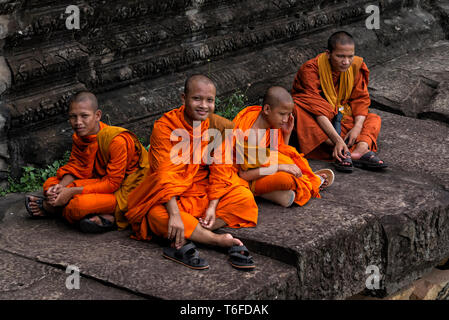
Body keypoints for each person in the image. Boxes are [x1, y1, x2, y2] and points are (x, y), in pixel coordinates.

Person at [125, 74, 258, 270]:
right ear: (183, 98)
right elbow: (163, 175)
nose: (203, 105)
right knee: (154, 214)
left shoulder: (217, 126)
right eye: (197, 99)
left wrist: (213, 206)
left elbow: (220, 169)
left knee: (244, 198)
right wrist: (175, 214)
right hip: (172, 196)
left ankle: (189, 231)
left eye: (209, 100)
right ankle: (216, 240)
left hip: (201, 189)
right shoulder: (164, 127)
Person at [25, 91, 149, 233]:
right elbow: (76, 167)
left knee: (78, 205)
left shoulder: (116, 141)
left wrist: (71, 192)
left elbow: (113, 184)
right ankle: (97, 215)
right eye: (73, 117)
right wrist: (60, 187)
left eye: (84, 116)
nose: (78, 123)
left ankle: (55, 209)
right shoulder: (80, 137)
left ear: (97, 116)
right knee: (50, 185)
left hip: (123, 191)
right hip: (97, 181)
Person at [291, 31, 387, 172]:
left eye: (350, 56)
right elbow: (315, 108)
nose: (346, 62)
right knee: (297, 109)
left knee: (373, 119)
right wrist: (337, 140)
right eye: (340, 56)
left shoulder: (356, 66)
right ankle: (340, 148)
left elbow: (360, 99)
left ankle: (359, 150)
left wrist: (357, 128)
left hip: (341, 115)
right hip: (320, 121)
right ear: (328, 54)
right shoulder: (310, 70)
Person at [232, 86, 334, 208]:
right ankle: (305, 183)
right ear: (267, 109)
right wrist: (280, 167)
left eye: (288, 115)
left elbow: (279, 153)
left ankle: (279, 192)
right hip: (243, 178)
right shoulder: (249, 132)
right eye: (282, 114)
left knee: (290, 168)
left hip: (260, 171)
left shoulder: (271, 123)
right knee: (287, 179)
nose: (285, 119)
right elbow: (244, 175)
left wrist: (287, 133)